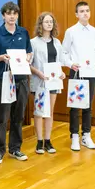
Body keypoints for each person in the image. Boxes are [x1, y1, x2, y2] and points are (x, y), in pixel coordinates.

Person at [0, 1, 32, 164]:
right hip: (2, 80)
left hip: (21, 80)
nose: (12, 16)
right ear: (3, 15)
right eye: (9, 13)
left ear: (17, 15)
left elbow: (29, 52)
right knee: (2, 118)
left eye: (15, 14)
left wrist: (28, 57)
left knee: (18, 116)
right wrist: (1, 57)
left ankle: (15, 149)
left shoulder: (23, 32)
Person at [62, 1, 95, 151]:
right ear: (76, 14)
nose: (85, 13)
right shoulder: (71, 31)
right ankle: (74, 136)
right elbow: (64, 52)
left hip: (91, 71)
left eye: (87, 10)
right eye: (82, 11)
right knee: (75, 105)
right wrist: (70, 63)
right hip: (77, 72)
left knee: (88, 105)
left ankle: (86, 134)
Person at [30, 12, 65, 154]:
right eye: (46, 22)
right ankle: (39, 141)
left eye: (51, 22)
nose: (49, 24)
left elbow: (59, 61)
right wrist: (39, 73)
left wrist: (61, 73)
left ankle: (48, 140)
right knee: (39, 112)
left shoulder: (57, 42)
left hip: (54, 82)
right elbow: (28, 64)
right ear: (41, 24)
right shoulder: (33, 42)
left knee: (50, 111)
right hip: (39, 81)